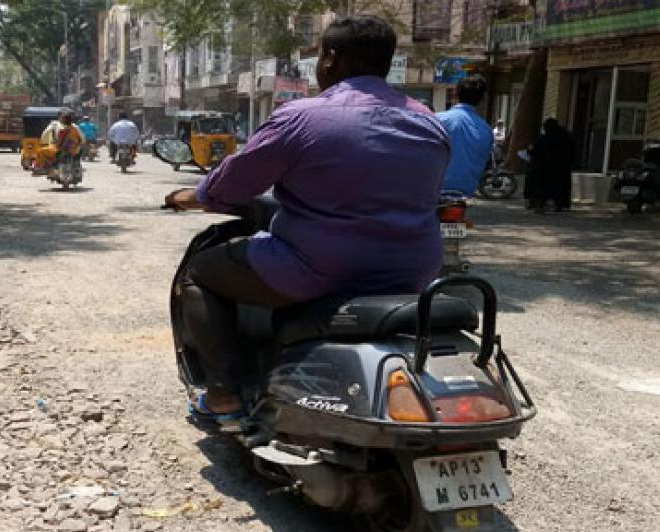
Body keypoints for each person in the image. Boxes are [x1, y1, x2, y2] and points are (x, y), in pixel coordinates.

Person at [162, 15, 451, 417]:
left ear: (330, 59)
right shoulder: (428, 121)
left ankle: (223, 394)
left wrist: (190, 196)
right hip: (411, 272)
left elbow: (232, 186)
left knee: (201, 272)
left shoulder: (302, 117)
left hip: (317, 269)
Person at [436, 75, 493, 196]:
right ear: (482, 99)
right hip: (465, 192)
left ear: (455, 94)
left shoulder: (437, 119)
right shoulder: (486, 130)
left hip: (433, 188)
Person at [525, 118, 575, 212]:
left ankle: (539, 204)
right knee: (559, 187)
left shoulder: (544, 139)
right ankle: (559, 204)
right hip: (562, 168)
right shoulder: (566, 137)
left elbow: (534, 151)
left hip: (544, 168)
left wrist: (530, 151)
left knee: (540, 185)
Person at [39, 110, 83, 178]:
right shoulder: (75, 127)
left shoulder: (54, 124)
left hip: (59, 149)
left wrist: (44, 142)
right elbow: (82, 139)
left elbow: (45, 134)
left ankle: (46, 169)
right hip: (72, 150)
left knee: (45, 154)